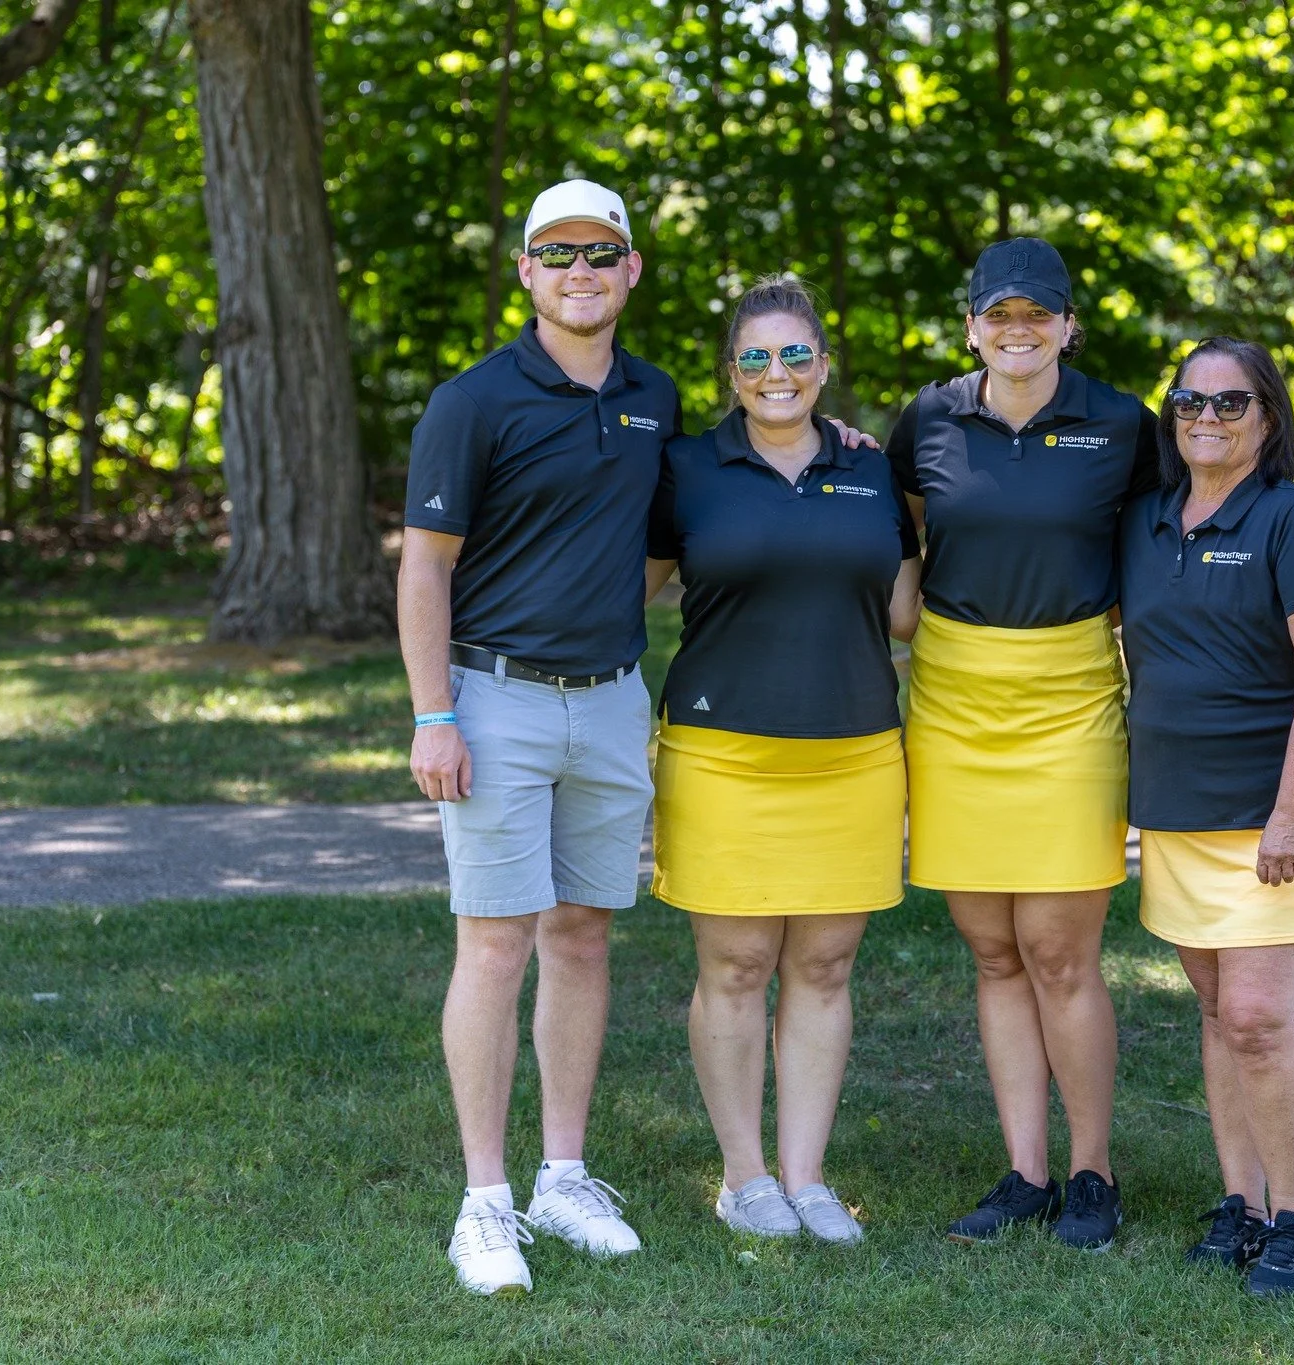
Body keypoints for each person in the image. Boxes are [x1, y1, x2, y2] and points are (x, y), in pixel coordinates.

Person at [399, 180, 672, 1296]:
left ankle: (563, 1176)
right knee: (495, 944)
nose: (579, 273)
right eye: (555, 255)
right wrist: (434, 712)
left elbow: (665, 543)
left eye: (599, 254)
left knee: (584, 936)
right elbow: (425, 564)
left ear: (629, 270)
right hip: (494, 699)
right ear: (525, 273)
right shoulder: (473, 402)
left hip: (610, 698)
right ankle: (484, 1202)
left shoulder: (653, 396)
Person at [885, 238, 1160, 1250]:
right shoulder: (926, 417)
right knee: (993, 949)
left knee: (1058, 949)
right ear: (969, 326)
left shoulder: (1123, 424)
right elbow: (900, 535)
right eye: (997, 315)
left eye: (1035, 314)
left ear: (1065, 326)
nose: (1016, 329)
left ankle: (1091, 1172)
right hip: (953, 700)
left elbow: (1158, 550)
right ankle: (1024, 1172)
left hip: (1071, 696)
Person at [644, 276, 921, 1246]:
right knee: (735, 962)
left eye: (794, 354)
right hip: (721, 753)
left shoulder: (871, 469)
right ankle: (742, 1176)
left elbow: (905, 611)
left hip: (852, 750)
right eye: (756, 357)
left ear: (822, 367)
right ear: (730, 373)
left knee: (825, 962)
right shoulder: (684, 470)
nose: (776, 373)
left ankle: (805, 1178)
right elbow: (622, 596)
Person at [1116, 336, 1294, 1297]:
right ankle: (1242, 1203)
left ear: (1269, 417)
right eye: (1189, 403)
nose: (1207, 420)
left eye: (1231, 404)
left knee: (1261, 1015)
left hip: (1279, 812)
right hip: (1179, 812)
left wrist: (1290, 815)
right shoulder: (1141, 521)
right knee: (1220, 1012)